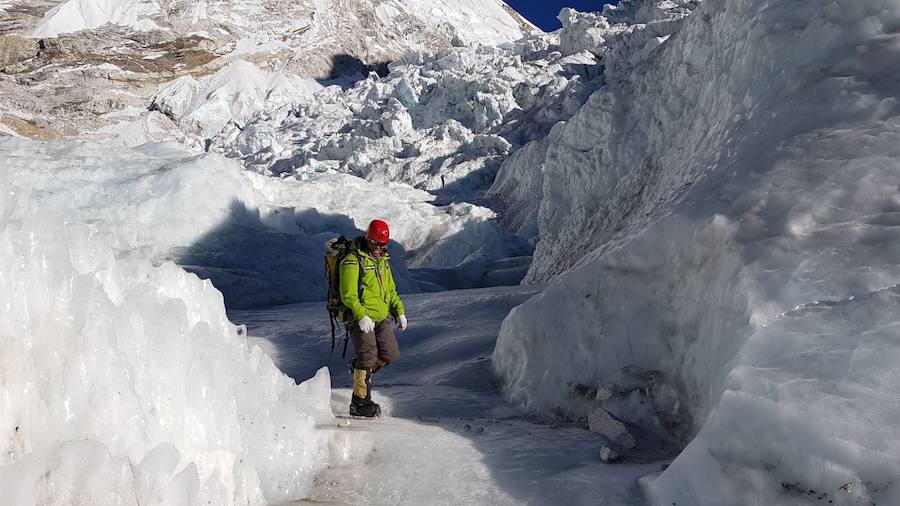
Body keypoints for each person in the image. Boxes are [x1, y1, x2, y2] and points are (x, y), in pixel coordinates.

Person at [340, 219, 408, 417]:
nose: (380, 247)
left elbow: (391, 290)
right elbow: (348, 294)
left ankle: (360, 370)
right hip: (360, 319)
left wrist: (399, 311)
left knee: (390, 353)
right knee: (368, 357)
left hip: (381, 317)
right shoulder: (353, 260)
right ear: (368, 239)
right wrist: (361, 315)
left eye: (383, 244)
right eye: (377, 243)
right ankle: (359, 402)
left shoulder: (382, 261)